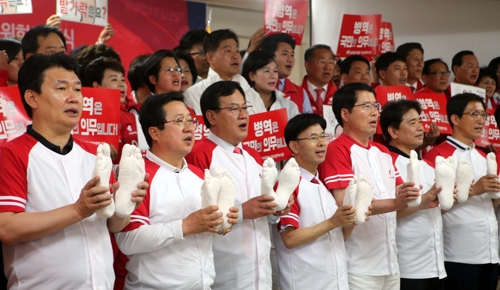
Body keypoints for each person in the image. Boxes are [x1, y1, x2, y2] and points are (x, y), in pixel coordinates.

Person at [0, 53, 147, 289]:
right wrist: (79, 209)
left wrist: (126, 205)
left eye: (78, 90)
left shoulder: (96, 153)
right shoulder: (12, 153)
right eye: (62, 88)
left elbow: (113, 226)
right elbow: (6, 228)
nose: (74, 98)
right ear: (32, 97)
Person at [114, 92, 238, 289]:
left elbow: (205, 233)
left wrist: (220, 224)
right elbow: (127, 241)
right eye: (179, 121)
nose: (189, 127)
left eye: (190, 120)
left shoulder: (201, 176)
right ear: (154, 133)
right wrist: (186, 226)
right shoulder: (139, 174)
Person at [185, 81, 291, 289]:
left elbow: (265, 215)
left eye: (245, 107)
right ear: (211, 116)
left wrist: (275, 209)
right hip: (223, 272)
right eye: (234, 109)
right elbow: (195, 216)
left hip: (261, 272)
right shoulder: (199, 154)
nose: (243, 114)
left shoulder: (253, 156)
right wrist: (243, 211)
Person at [318, 82, 420, 290]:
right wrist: (397, 202)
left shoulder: (383, 151)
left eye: (376, 106)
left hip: (391, 262)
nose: (374, 113)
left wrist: (423, 196)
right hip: (357, 265)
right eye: (366, 107)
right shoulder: (336, 149)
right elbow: (348, 205)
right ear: (345, 114)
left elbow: (399, 195)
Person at [424, 93, 500, 290]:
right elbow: (431, 206)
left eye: (484, 115)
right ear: (455, 119)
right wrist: (474, 190)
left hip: (490, 251)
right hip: (458, 253)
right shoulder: (437, 156)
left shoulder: (484, 156)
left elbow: (491, 203)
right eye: (474, 114)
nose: (480, 120)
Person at [274, 113, 356, 290]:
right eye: (313, 138)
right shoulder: (287, 185)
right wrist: (333, 222)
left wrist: (351, 219)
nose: (321, 143)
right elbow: (289, 238)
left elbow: (338, 236)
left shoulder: (320, 183)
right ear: (294, 146)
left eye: (323, 136)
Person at [380, 100, 447, 290]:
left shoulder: (426, 164)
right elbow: (385, 212)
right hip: (407, 266)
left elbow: (434, 208)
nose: (421, 127)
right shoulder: (386, 163)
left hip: (436, 264)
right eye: (412, 122)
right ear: (393, 132)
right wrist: (423, 201)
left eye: (420, 121)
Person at [183, 29, 266, 115]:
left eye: (237, 51)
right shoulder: (193, 94)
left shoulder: (252, 94)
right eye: (228, 51)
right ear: (210, 57)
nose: (235, 56)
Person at [84, 57, 138, 163]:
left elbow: (144, 155)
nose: (121, 84)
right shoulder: (84, 118)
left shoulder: (132, 117)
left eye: (122, 79)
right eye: (114, 79)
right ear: (97, 86)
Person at [260, 33, 313, 113]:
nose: (290, 59)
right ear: (269, 57)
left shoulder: (300, 92)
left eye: (292, 55)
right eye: (285, 54)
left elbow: (310, 123)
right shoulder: (258, 88)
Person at [242, 50, 299, 119]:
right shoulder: (242, 103)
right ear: (252, 76)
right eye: (267, 71)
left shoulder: (288, 105)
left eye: (275, 71)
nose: (273, 76)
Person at [301, 44, 337, 116]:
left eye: (330, 62)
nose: (327, 67)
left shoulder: (340, 95)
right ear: (308, 66)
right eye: (322, 62)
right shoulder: (296, 95)